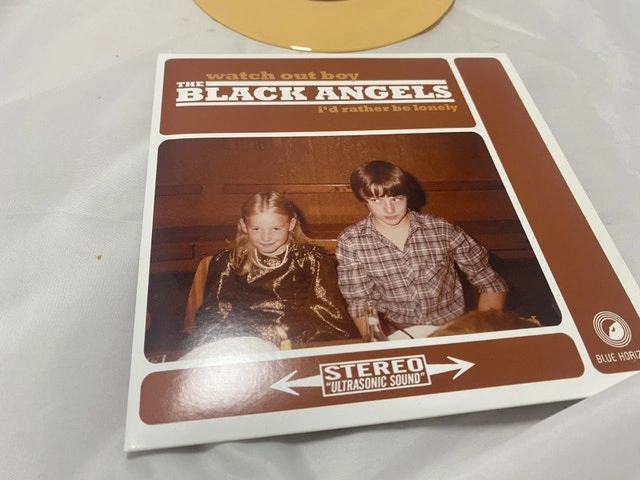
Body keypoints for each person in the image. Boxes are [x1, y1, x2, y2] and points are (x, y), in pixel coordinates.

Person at [335, 160, 508, 337]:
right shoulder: (351, 241)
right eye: (376, 200)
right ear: (363, 200)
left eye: (396, 198)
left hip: (449, 330)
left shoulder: (442, 229)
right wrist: (379, 344)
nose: (389, 209)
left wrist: (481, 334)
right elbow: (361, 304)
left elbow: (491, 284)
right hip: (396, 334)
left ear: (407, 195)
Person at [191, 191, 360, 349]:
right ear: (243, 226)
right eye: (256, 229)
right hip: (247, 339)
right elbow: (217, 310)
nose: (266, 237)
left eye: (276, 229)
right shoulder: (229, 261)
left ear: (291, 224)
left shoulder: (311, 259)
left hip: (300, 337)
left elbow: (328, 311)